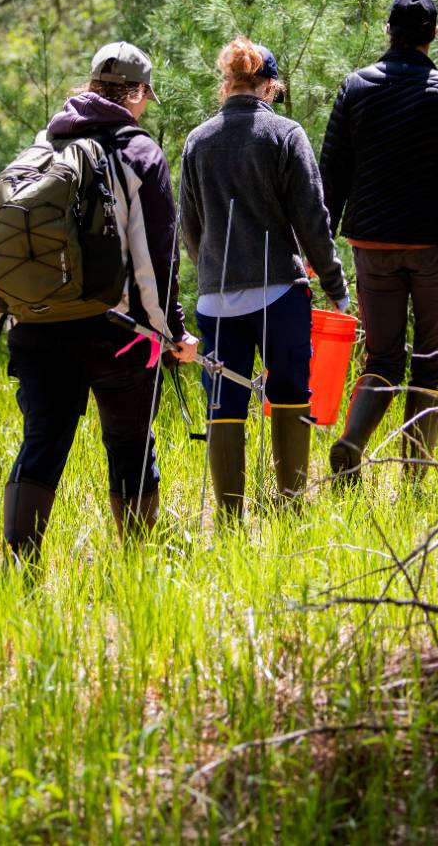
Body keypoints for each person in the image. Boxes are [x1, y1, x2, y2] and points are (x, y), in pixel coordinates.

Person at [0, 41, 195, 563]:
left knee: (42, 441)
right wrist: (170, 333)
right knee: (129, 443)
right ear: (136, 94)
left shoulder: (46, 144)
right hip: (117, 331)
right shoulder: (138, 151)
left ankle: (20, 568)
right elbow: (156, 257)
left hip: (36, 326)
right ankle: (136, 562)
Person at [318, 0, 438, 482]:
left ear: (388, 31)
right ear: (433, 35)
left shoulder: (354, 89)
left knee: (382, 356)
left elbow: (330, 175)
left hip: (372, 248)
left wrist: (319, 246)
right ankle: (416, 478)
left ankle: (352, 442)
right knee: (431, 358)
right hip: (435, 248)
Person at [178, 37, 349, 520]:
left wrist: (211, 267)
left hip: (216, 301)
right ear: (270, 87)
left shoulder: (197, 141)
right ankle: (289, 508)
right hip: (280, 294)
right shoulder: (284, 134)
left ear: (226, 85)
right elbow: (312, 221)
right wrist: (337, 289)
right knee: (290, 393)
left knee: (224, 404)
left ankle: (231, 520)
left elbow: (188, 225)